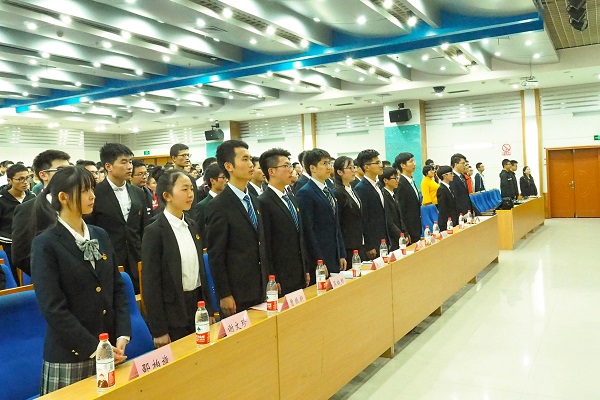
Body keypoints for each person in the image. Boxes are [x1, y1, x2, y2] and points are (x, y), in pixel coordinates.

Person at [30, 166, 130, 395]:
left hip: (110, 347)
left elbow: (117, 287)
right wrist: (94, 347)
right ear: (63, 197)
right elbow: (53, 308)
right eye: (85, 191)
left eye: (92, 189)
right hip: (70, 353)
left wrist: (123, 333)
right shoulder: (45, 243)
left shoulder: (100, 234)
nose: (92, 196)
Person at [142, 169, 215, 347]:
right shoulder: (154, 231)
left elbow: (201, 272)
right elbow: (151, 284)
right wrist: (159, 330)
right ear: (167, 195)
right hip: (172, 312)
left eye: (191, 189)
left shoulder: (192, 225)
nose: (190, 194)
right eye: (184, 189)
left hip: (197, 306)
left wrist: (209, 310)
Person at [206, 140, 268, 317]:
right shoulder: (218, 205)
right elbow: (216, 255)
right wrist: (224, 294)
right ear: (229, 166)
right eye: (245, 159)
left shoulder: (255, 200)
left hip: (261, 286)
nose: (251, 164)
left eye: (250, 159)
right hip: (237, 291)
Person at [86, 143, 149, 294]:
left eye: (130, 162)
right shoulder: (95, 193)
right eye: (124, 162)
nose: (129, 167)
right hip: (108, 259)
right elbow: (89, 230)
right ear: (108, 166)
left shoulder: (137, 192)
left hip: (136, 258)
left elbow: (143, 228)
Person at [258, 148, 309, 296]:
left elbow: (300, 236)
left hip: (298, 271)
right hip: (281, 275)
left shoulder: (291, 197)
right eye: (286, 166)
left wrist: (305, 269)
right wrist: (272, 276)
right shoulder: (263, 202)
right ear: (271, 171)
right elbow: (266, 244)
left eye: (290, 166)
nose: (290, 170)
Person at [11, 150, 71, 277]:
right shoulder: (27, 209)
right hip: (49, 280)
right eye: (61, 170)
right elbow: (20, 255)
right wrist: (50, 274)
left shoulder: (81, 202)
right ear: (43, 175)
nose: (69, 174)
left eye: (70, 169)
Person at [296, 148, 346, 282]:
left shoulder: (329, 190)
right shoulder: (305, 193)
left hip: (334, 254)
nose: (329, 167)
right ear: (312, 168)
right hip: (320, 257)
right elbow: (308, 230)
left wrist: (341, 253)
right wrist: (319, 261)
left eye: (329, 163)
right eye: (324, 163)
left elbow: (336, 224)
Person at [0, 164, 36, 279]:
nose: (25, 182)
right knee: (14, 278)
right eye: (20, 179)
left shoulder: (32, 197)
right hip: (9, 246)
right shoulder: (2, 200)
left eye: (27, 178)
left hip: (31, 244)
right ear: (9, 180)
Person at [354, 149, 388, 259]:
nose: (381, 165)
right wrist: (369, 245)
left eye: (380, 162)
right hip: (374, 241)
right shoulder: (361, 188)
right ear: (367, 167)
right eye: (377, 163)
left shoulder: (379, 185)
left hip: (384, 237)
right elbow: (364, 219)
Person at [333, 156, 365, 262]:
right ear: (339, 172)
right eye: (350, 168)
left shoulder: (352, 189)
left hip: (359, 242)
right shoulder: (337, 192)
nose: (353, 170)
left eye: (354, 167)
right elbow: (338, 222)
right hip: (348, 245)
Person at [190, 164, 227, 240]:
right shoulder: (203, 206)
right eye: (223, 177)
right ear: (212, 180)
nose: (226, 180)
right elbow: (200, 232)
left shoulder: (229, 201)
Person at [394, 152, 422, 243]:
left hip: (416, 225)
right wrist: (405, 232)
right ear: (403, 165)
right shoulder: (401, 184)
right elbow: (401, 210)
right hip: (409, 229)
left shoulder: (411, 181)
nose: (414, 164)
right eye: (411, 161)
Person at [380, 167, 409, 251]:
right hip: (392, 238)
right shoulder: (384, 196)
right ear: (385, 180)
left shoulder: (393, 194)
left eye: (398, 178)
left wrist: (405, 233)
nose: (397, 181)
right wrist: (400, 235)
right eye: (395, 178)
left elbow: (400, 218)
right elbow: (389, 221)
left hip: (400, 236)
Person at [436, 166, 459, 231]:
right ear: (444, 176)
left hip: (453, 219)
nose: (453, 175)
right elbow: (442, 209)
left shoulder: (449, 187)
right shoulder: (441, 189)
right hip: (447, 222)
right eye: (451, 173)